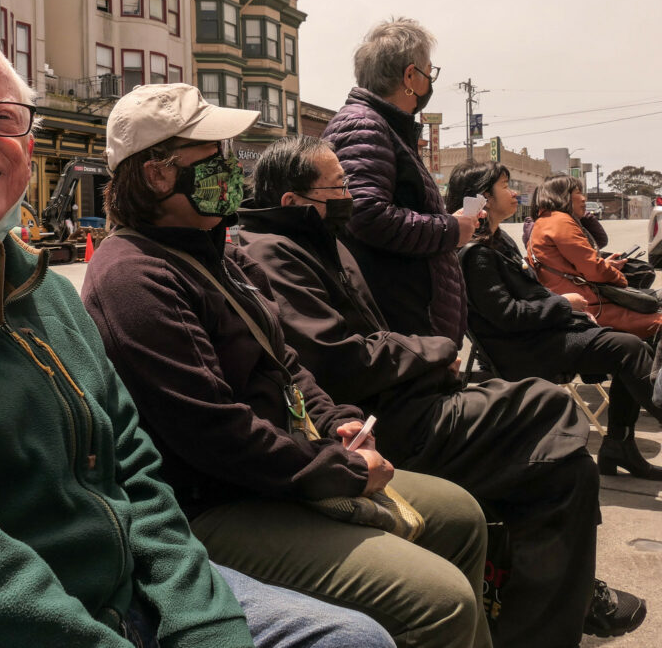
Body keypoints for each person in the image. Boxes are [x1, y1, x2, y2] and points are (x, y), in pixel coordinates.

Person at [0, 34, 395, 648]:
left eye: (4, 118)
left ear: (29, 153)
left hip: (122, 596)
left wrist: (206, 627)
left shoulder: (48, 292)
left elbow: (137, 480)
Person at [82, 82, 494, 648]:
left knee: (460, 515)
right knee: (440, 601)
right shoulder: (133, 276)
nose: (231, 168)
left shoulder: (217, 250)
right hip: (218, 506)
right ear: (157, 174)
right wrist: (341, 469)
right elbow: (217, 435)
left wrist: (337, 422)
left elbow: (286, 362)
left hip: (282, 471)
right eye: (213, 157)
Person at [234, 136, 646, 646]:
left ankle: (560, 604)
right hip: (383, 418)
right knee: (551, 405)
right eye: (339, 187)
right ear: (294, 202)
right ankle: (568, 602)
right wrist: (432, 350)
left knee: (569, 468)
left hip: (413, 392)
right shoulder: (275, 253)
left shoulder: (320, 240)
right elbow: (339, 358)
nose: (351, 198)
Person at [447, 160, 662, 480]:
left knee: (628, 346)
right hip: (524, 349)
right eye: (505, 186)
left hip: (542, 335)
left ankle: (619, 445)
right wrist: (565, 304)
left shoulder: (499, 241)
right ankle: (619, 444)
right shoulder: (476, 253)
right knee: (627, 347)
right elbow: (507, 316)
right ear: (484, 199)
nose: (515, 192)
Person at [323, 17, 476, 345]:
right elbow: (365, 214)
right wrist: (451, 229)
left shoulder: (381, 126)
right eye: (428, 72)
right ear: (410, 76)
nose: (429, 82)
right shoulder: (366, 126)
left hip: (408, 319)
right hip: (401, 321)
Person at [527, 174, 662, 341]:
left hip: (578, 298)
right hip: (590, 304)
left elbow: (574, 264)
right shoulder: (560, 221)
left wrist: (604, 264)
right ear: (562, 196)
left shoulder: (545, 220)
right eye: (578, 193)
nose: (584, 199)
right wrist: (620, 278)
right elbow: (594, 270)